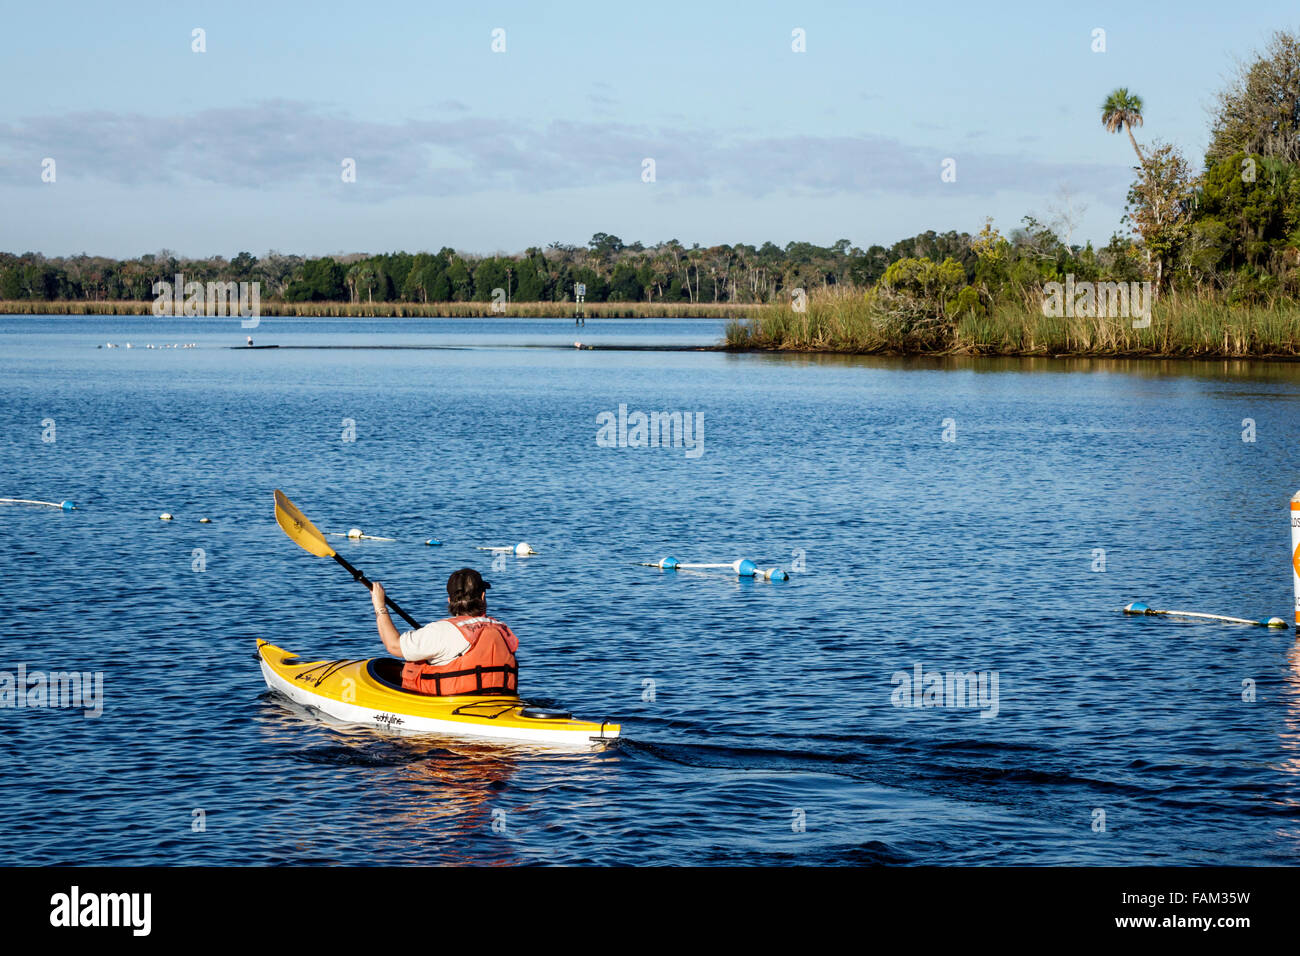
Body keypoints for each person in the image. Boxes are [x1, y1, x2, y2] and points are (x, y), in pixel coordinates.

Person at [370, 568, 519, 696]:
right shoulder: (503, 629)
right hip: (502, 702)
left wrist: (379, 605)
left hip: (454, 708)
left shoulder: (441, 631)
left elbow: (393, 646)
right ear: (482, 597)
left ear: (449, 600)